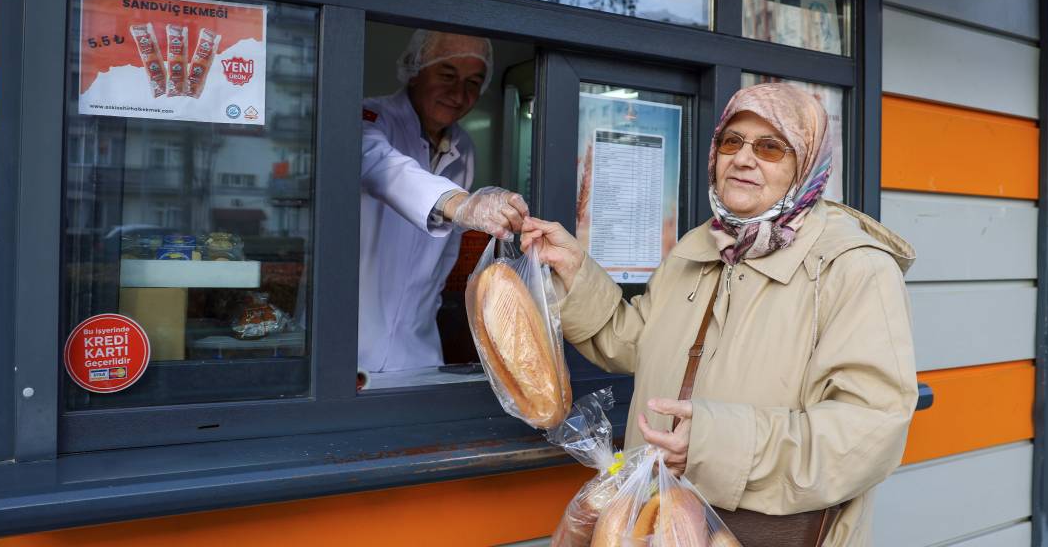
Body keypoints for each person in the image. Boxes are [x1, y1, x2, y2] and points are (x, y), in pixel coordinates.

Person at [522, 83, 917, 546]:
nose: (744, 159)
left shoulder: (853, 267)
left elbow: (869, 431)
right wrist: (576, 271)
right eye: (733, 141)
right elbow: (635, 342)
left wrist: (711, 445)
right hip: (657, 526)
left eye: (771, 147)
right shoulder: (700, 248)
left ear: (806, 164)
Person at [359, 29, 528, 373]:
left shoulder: (463, 148)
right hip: (347, 346)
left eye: (473, 82)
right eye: (447, 75)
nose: (459, 93)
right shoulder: (370, 118)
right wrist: (463, 205)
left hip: (418, 351)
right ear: (415, 70)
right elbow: (380, 166)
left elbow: (445, 258)